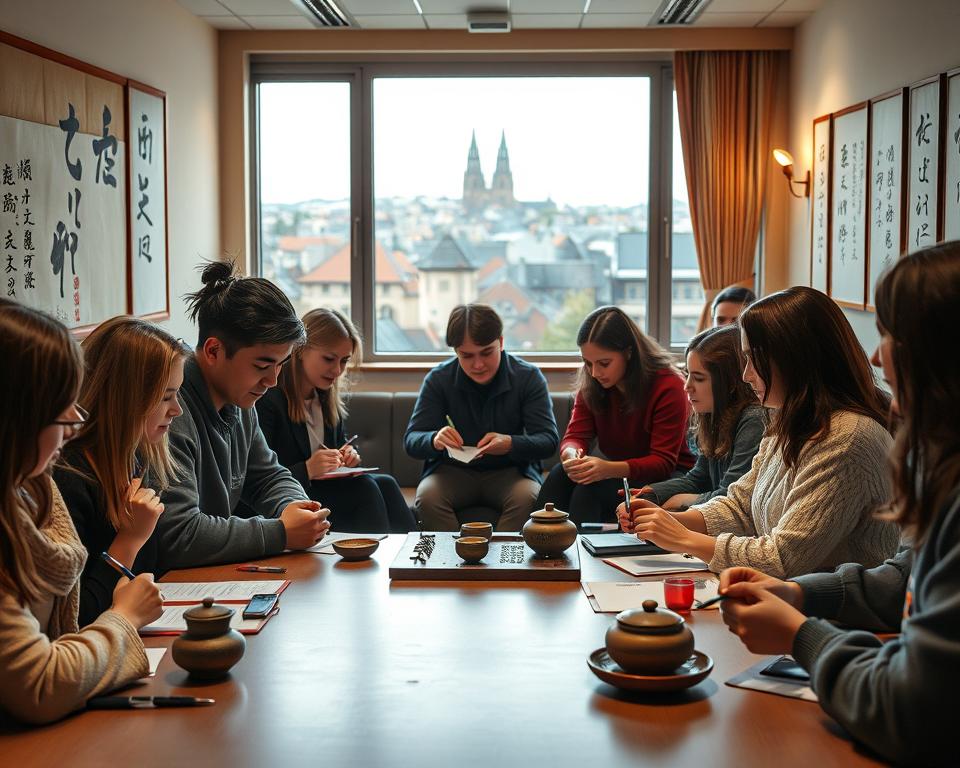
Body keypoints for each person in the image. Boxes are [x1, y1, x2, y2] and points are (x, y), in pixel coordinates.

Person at [717, 243, 960, 765]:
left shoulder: (851, 437)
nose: (877, 355)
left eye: (891, 334)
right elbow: (906, 576)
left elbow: (914, 710)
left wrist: (801, 635)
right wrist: (800, 594)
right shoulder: (943, 465)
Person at [619, 286, 899, 578]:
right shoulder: (787, 422)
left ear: (794, 358)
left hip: (834, 612)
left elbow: (784, 558)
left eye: (753, 359)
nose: (745, 375)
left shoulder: (846, 438)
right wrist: (670, 520)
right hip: (791, 598)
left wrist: (682, 538)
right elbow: (742, 506)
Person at [0, 302, 162, 725]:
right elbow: (39, 683)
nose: (75, 421)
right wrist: (124, 619)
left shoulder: (35, 488)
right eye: (61, 404)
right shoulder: (65, 480)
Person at [156, 261, 330, 570]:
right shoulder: (171, 407)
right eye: (262, 366)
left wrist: (296, 507)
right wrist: (281, 533)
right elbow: (178, 534)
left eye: (281, 364)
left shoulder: (239, 399)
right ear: (213, 351)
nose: (272, 381)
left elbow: (266, 475)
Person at [54, 317, 187, 626]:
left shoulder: (136, 459)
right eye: (166, 396)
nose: (177, 409)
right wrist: (129, 539)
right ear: (128, 398)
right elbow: (76, 617)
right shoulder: (69, 476)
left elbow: (145, 578)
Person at [258, 308, 415, 533]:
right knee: (366, 489)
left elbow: (338, 447)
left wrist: (348, 456)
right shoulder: (270, 399)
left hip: (323, 490)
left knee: (387, 483)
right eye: (329, 359)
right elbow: (260, 474)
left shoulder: (325, 398)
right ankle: (379, 564)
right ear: (300, 350)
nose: (338, 370)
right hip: (292, 496)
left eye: (344, 361)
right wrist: (307, 469)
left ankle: (416, 555)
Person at [404, 304, 559, 531]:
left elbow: (549, 441)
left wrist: (510, 444)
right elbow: (411, 440)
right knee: (429, 496)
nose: (478, 364)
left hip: (512, 471)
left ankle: (504, 565)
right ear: (456, 351)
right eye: (466, 356)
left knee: (527, 497)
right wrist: (434, 439)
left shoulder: (528, 377)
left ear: (502, 343)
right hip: (452, 471)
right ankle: (449, 564)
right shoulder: (439, 379)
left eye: (487, 352)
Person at [536, 306, 695, 525]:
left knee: (587, 491)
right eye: (587, 363)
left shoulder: (668, 385)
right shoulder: (593, 382)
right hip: (621, 470)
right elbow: (575, 436)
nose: (594, 372)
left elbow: (662, 462)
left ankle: (579, 554)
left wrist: (607, 469)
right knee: (560, 473)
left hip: (669, 474)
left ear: (629, 352)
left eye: (604, 363)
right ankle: (538, 544)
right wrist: (572, 455)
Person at [632, 325, 765, 510]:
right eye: (688, 375)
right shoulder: (714, 415)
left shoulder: (753, 420)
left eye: (699, 378)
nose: (687, 386)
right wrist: (650, 493)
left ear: (730, 382)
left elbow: (731, 496)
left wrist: (682, 502)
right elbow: (698, 479)